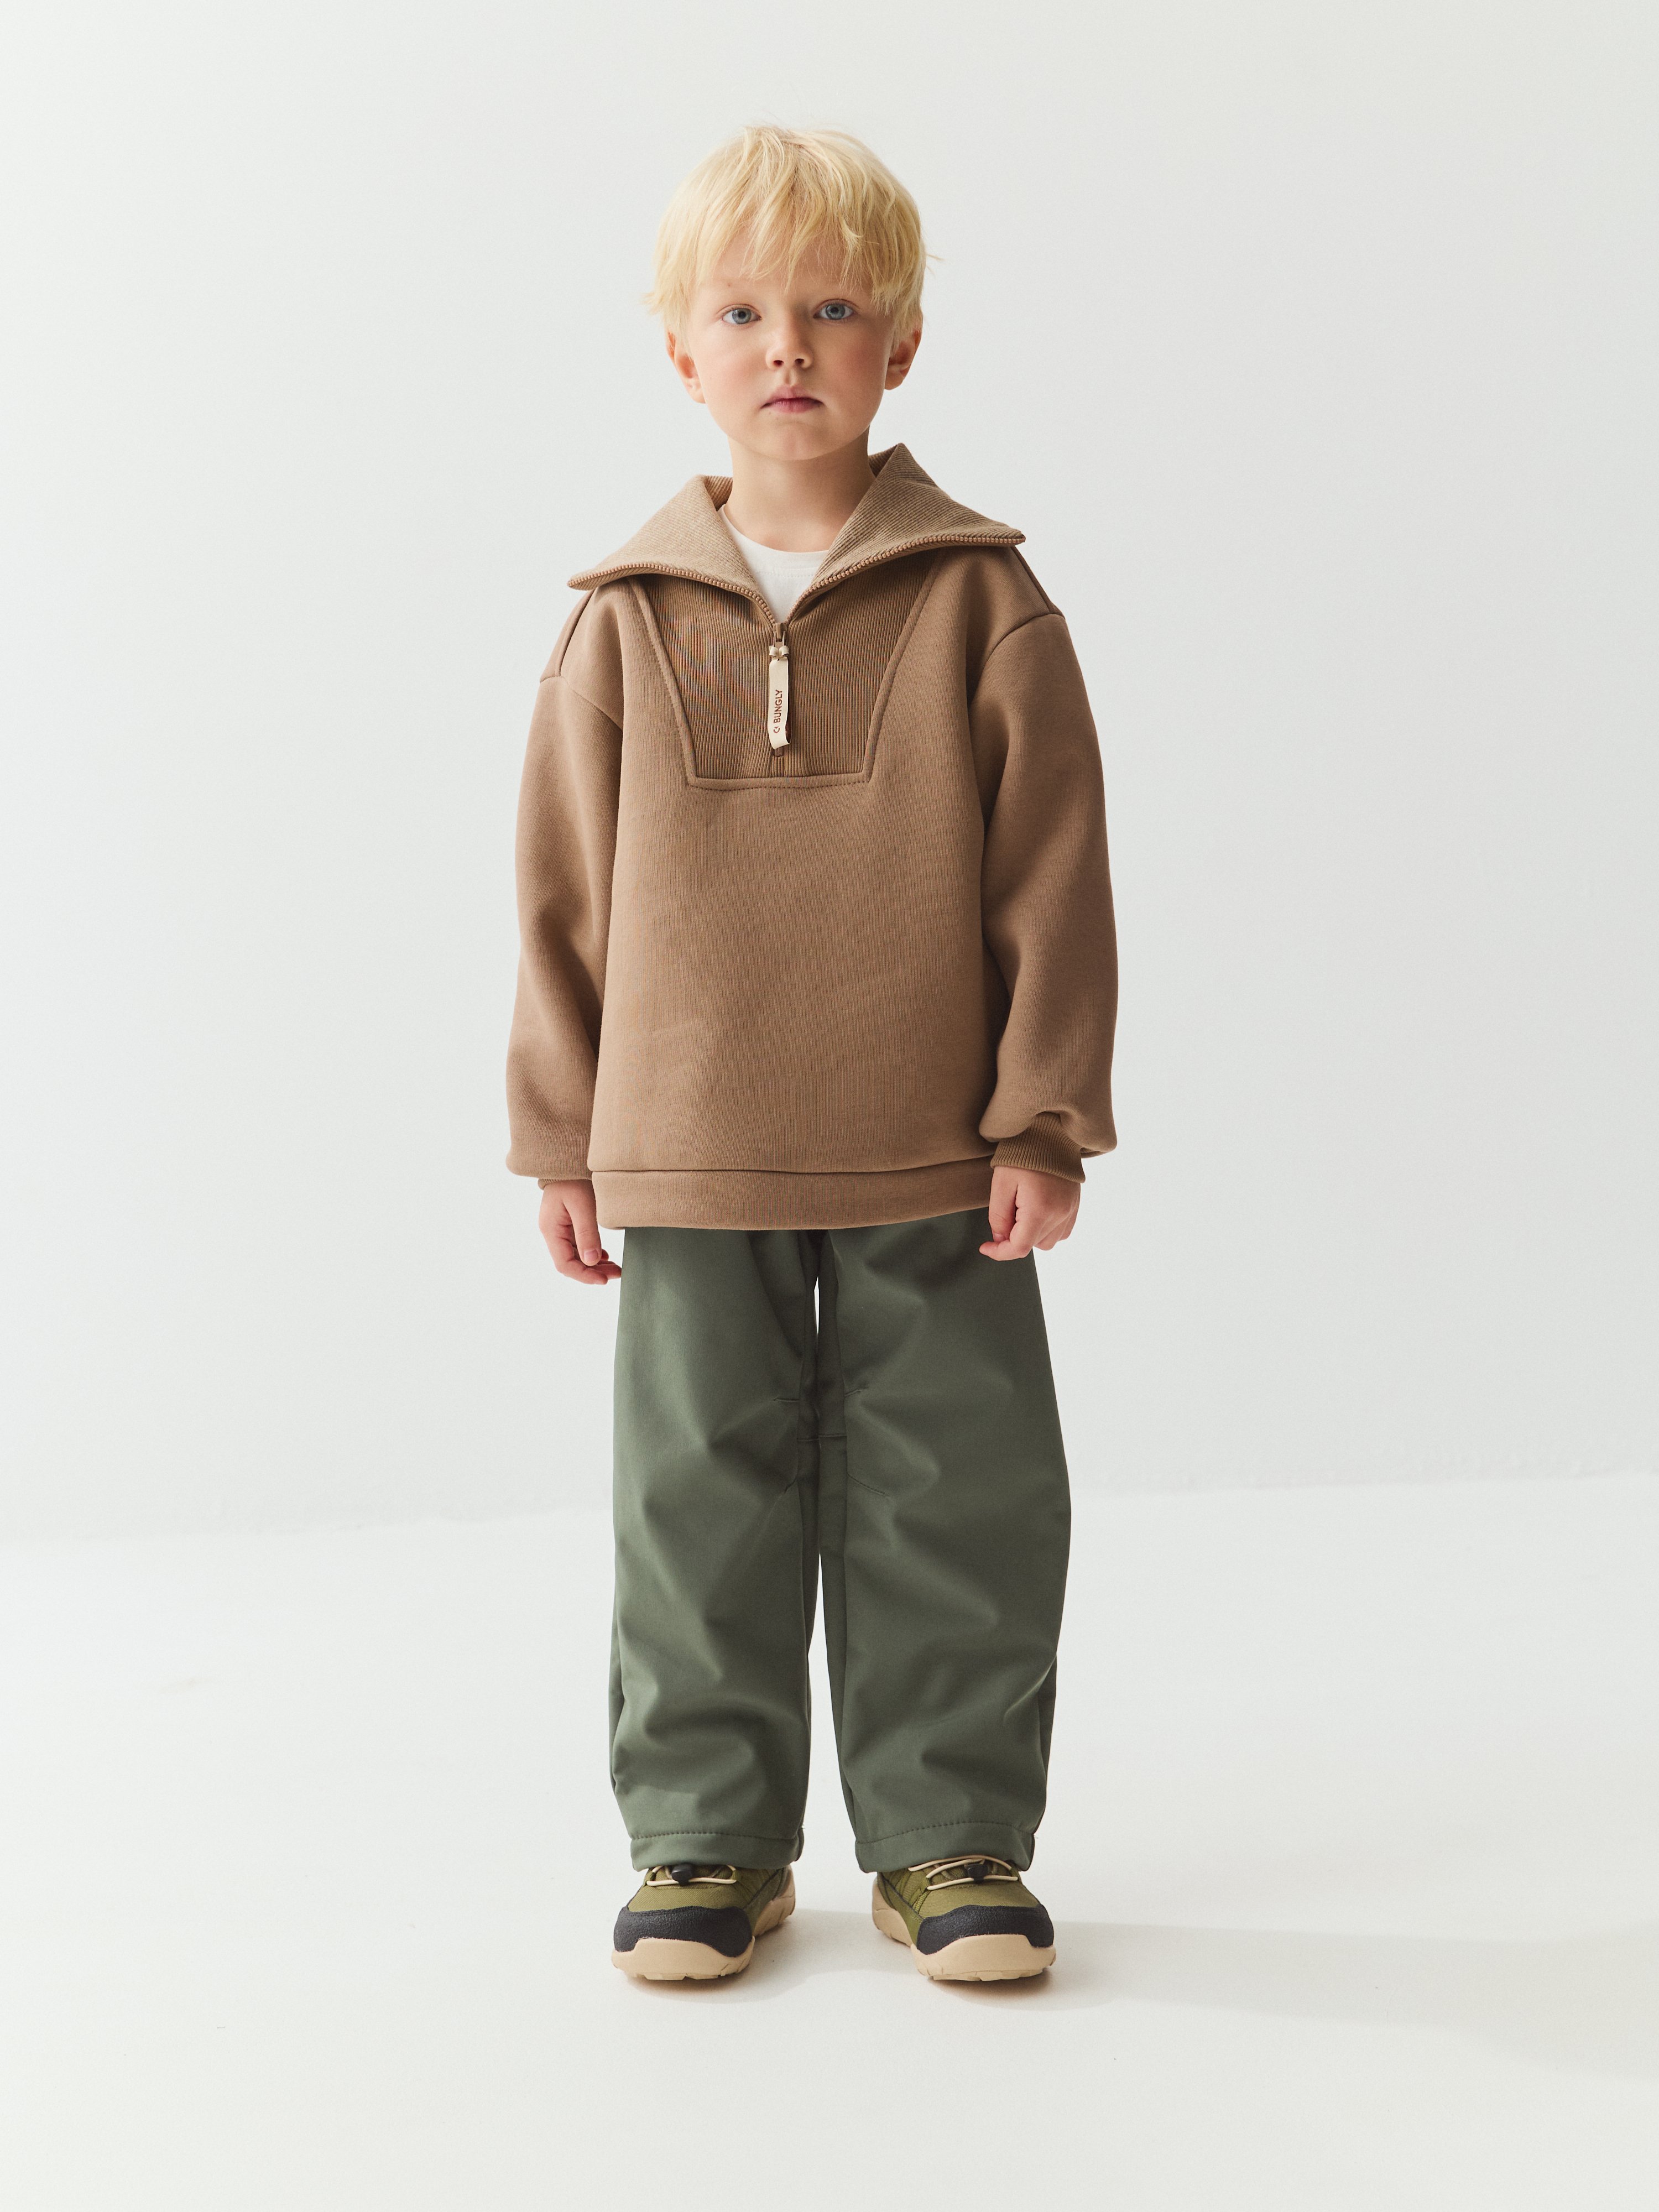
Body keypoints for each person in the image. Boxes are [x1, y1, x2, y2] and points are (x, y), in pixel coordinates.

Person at [505, 125, 1117, 1984]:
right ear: (680, 351)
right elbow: (563, 896)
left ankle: (948, 1839)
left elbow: (1053, 878)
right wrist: (562, 1136)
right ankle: (706, 1841)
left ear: (901, 347)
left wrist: (1042, 1118)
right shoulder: (624, 620)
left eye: (836, 311)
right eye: (745, 312)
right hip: (688, 1148)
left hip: (935, 1147)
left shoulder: (982, 602)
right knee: (697, 1502)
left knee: (959, 1493)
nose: (790, 345)